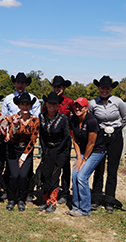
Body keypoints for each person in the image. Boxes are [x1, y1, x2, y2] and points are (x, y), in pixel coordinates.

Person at [89, 76, 126, 214]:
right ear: (98, 88)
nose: (104, 90)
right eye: (102, 88)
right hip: (100, 137)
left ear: (111, 89)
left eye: (107, 88)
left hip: (115, 137)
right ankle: (96, 198)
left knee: (112, 169)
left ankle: (110, 200)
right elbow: (91, 119)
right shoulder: (92, 104)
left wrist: (115, 130)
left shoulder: (118, 102)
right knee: (98, 168)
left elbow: (125, 118)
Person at [67, 97, 106, 217]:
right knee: (74, 174)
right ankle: (75, 206)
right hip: (82, 150)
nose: (77, 108)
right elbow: (74, 140)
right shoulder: (72, 119)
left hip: (96, 150)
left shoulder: (91, 120)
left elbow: (92, 143)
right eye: (76, 106)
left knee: (82, 176)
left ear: (86, 108)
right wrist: (78, 158)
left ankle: (85, 209)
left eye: (81, 106)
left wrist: (84, 160)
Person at [35, 92, 70, 213]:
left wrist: (58, 150)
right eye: (50, 103)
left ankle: (52, 202)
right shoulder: (42, 116)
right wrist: (44, 149)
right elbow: (42, 135)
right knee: (45, 173)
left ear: (58, 105)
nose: (52, 105)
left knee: (54, 175)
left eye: (54, 103)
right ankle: (45, 200)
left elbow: (66, 137)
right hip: (47, 149)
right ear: (46, 103)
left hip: (59, 149)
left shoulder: (63, 118)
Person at [42, 75, 74, 204]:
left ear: (64, 88)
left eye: (59, 87)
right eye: (55, 86)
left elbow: (75, 114)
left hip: (64, 138)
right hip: (51, 138)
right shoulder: (48, 102)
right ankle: (49, 189)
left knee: (65, 166)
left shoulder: (69, 102)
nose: (57, 89)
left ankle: (65, 193)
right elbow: (43, 116)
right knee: (50, 165)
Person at [6, 93, 40, 212]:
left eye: (27, 104)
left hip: (26, 150)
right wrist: (15, 127)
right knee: (14, 175)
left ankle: (21, 199)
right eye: (22, 104)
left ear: (31, 106)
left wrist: (23, 157)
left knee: (24, 175)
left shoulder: (35, 121)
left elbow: (33, 140)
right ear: (19, 105)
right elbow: (11, 136)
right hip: (13, 149)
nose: (25, 107)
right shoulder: (12, 118)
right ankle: (11, 199)